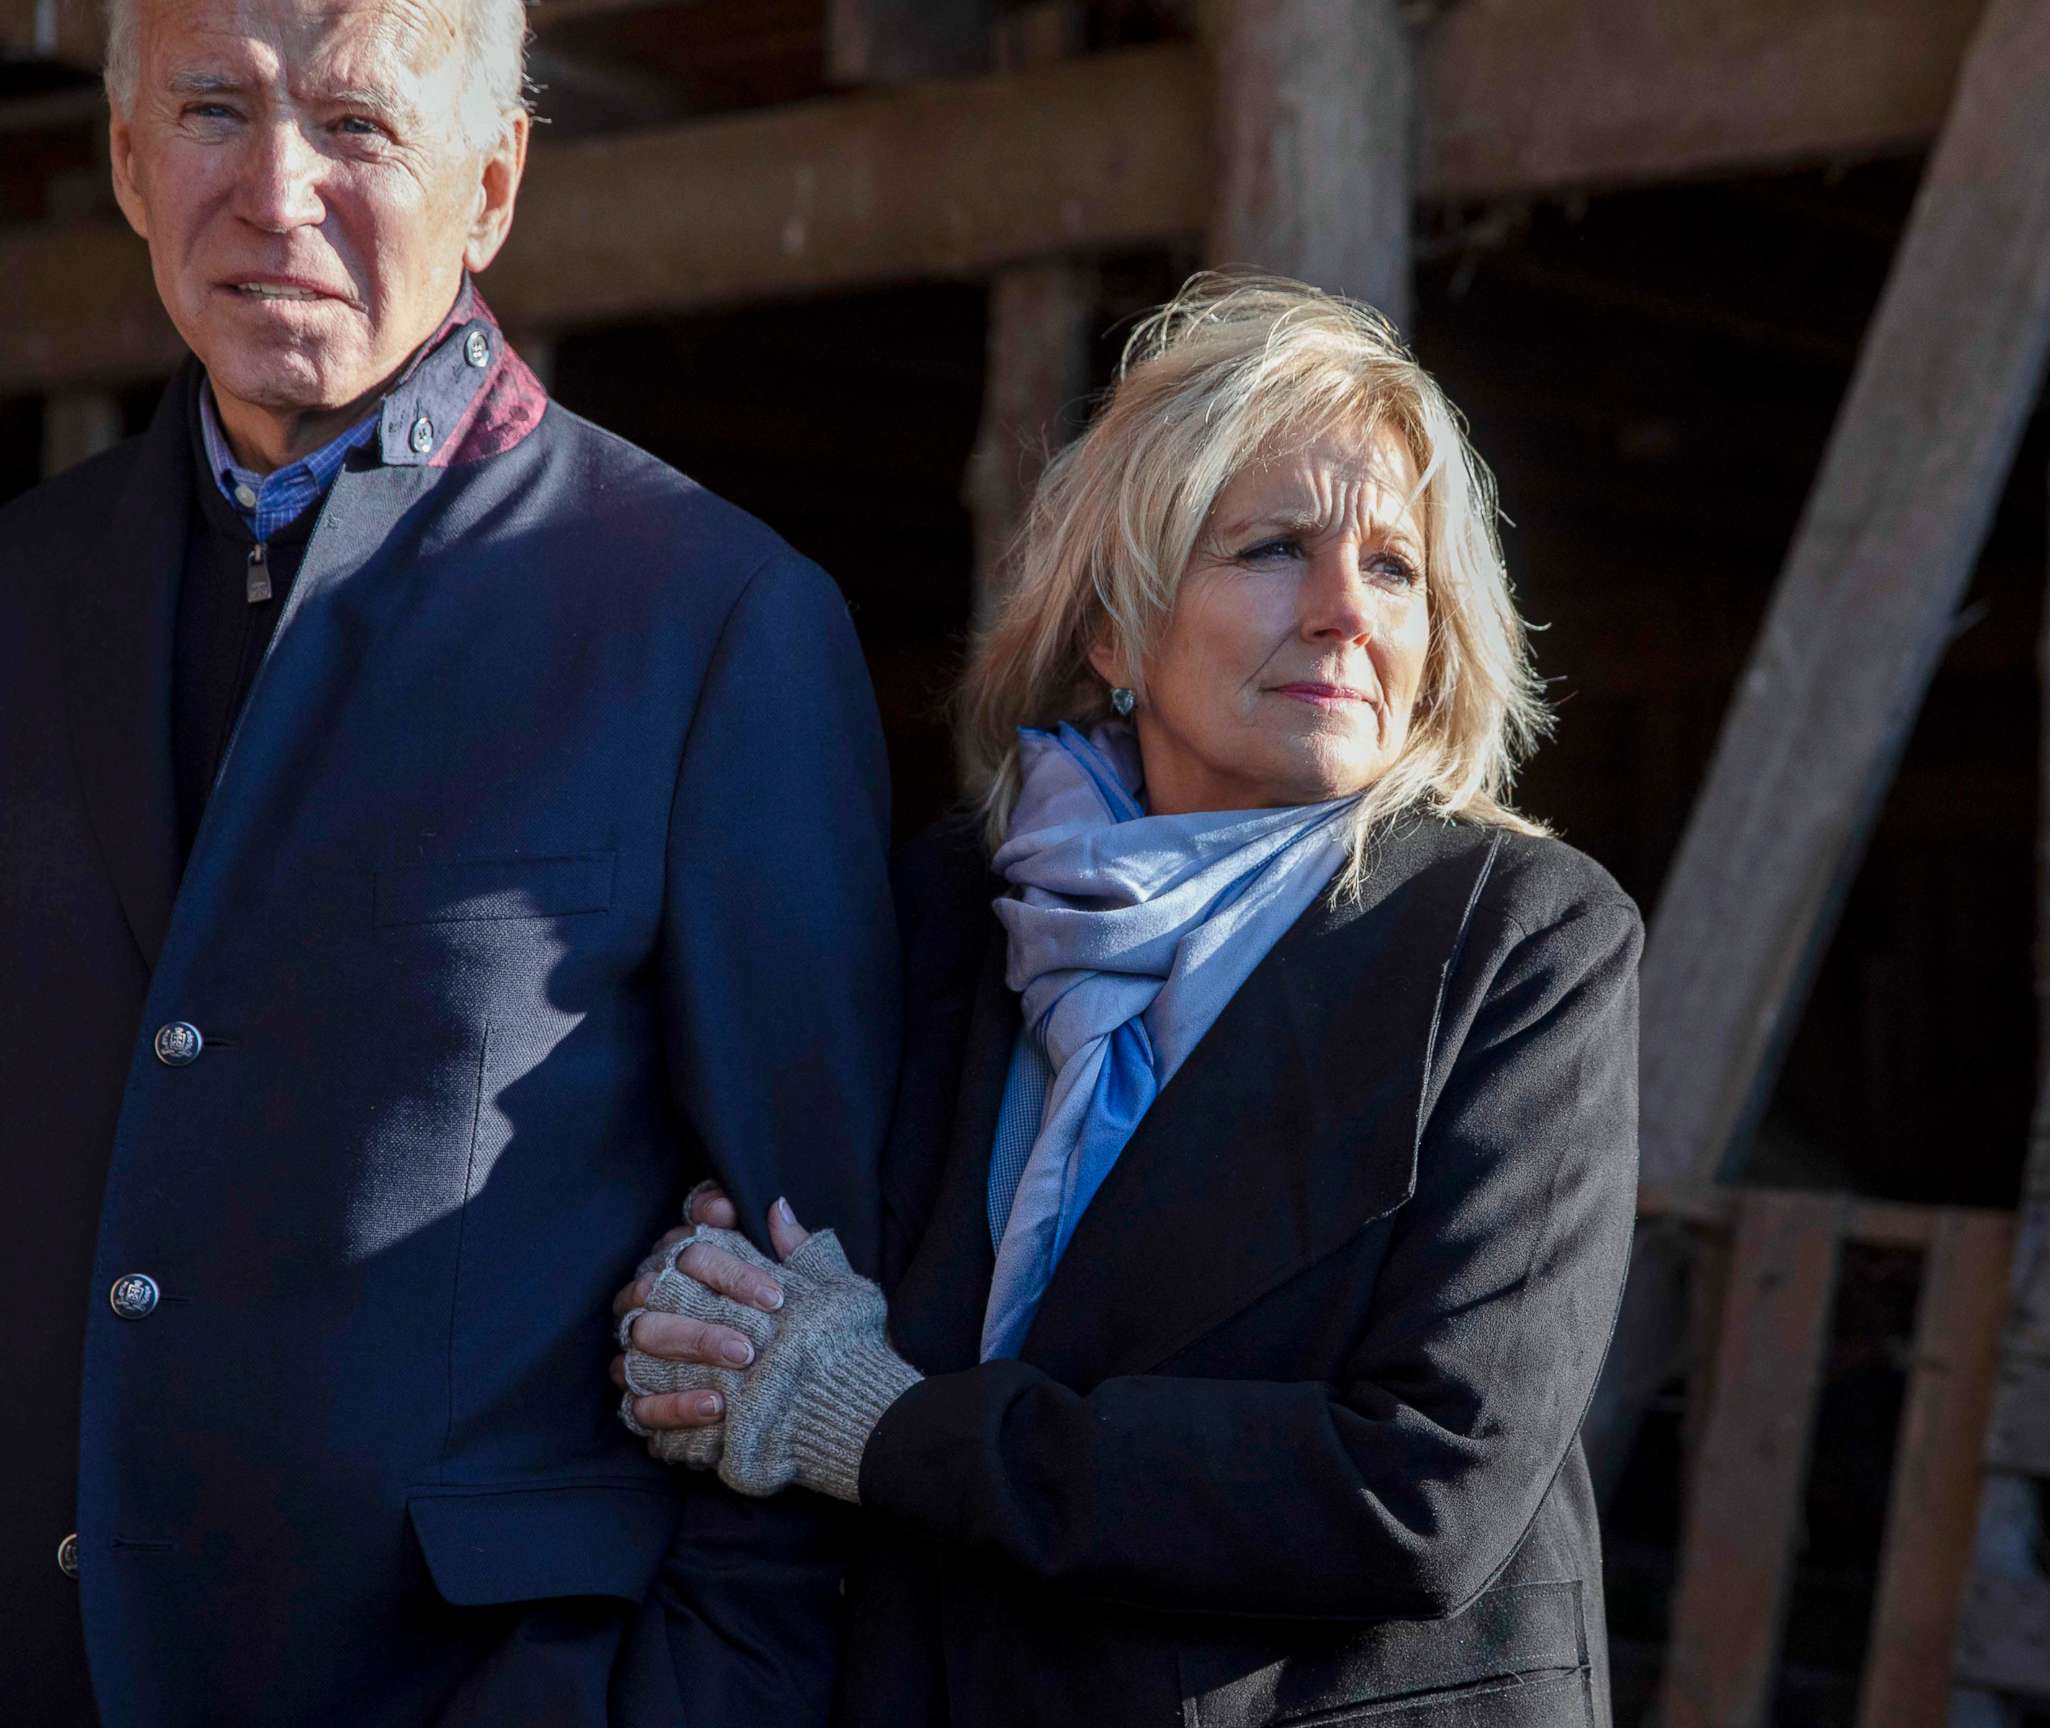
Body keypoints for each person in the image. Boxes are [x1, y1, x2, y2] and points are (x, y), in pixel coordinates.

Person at [0, 0, 899, 1721]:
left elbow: (820, 1279)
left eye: (355, 124)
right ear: (123, 161)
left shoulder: (703, 617)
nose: (275, 190)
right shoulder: (26, 590)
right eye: (209, 110)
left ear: (492, 184)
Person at [617, 276, 1643, 1725]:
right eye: (1274, 549)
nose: (1346, 612)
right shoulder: (949, 916)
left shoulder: (1518, 939)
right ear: (1112, 629)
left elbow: (1427, 1488)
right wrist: (711, 1317)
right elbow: (800, 1278)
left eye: (1397, 569)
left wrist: (889, 1428)